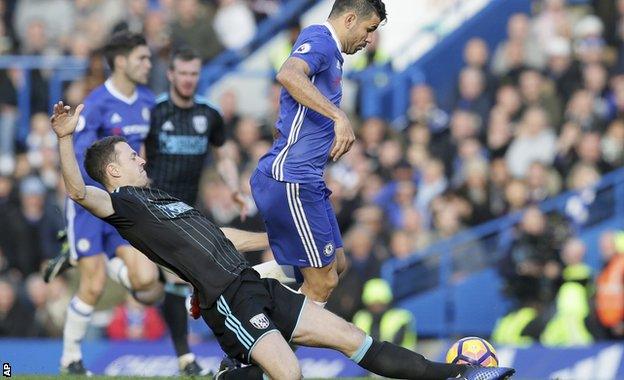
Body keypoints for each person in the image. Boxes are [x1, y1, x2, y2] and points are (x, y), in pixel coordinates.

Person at [51, 101, 515, 380]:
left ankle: (459, 374)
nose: (140, 158)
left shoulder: (160, 199)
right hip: (226, 298)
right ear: (113, 170)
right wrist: (65, 140)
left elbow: (219, 235)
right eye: (131, 156)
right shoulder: (125, 206)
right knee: (289, 374)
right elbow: (76, 191)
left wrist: (269, 240)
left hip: (255, 284)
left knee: (354, 338)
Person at [41, 31, 201, 375]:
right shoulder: (95, 104)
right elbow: (78, 162)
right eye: (142, 58)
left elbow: (149, 152)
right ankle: (70, 358)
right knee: (93, 284)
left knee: (147, 282)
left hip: (126, 204)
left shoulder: (148, 102)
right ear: (120, 61)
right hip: (90, 203)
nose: (148, 64)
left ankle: (96, 260)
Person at [250, 0, 384, 306]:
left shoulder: (331, 52)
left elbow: (292, 110)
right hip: (291, 180)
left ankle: (233, 284)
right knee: (323, 281)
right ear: (350, 19)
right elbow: (288, 74)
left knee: (337, 264)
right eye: (369, 29)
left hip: (306, 178)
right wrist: (339, 116)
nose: (370, 39)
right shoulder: (320, 40)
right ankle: (267, 351)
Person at [143, 46, 247, 374]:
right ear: (171, 75)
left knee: (196, 277)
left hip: (189, 209)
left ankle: (203, 355)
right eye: (182, 73)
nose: (188, 80)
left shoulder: (209, 114)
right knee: (173, 279)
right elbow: (137, 155)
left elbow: (223, 154)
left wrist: (233, 188)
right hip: (154, 208)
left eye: (193, 74)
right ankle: (189, 355)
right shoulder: (154, 112)